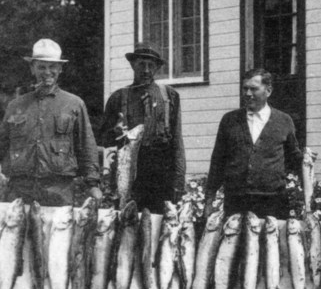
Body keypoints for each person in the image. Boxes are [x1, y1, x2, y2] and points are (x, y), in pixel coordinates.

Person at [0, 39, 101, 205]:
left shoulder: (74, 104)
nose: (47, 72)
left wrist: (93, 184)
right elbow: (0, 143)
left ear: (60, 69)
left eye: (52, 66)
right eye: (41, 67)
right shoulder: (16, 105)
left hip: (57, 193)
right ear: (32, 68)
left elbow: (87, 146)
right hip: (19, 193)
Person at [98, 43, 186, 214]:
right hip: (127, 172)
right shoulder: (118, 97)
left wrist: (179, 180)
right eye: (141, 64)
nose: (146, 70)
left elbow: (177, 140)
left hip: (160, 174)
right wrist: (114, 132)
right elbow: (104, 139)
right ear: (132, 65)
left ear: (157, 68)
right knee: (126, 223)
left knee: (157, 225)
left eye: (150, 65)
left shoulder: (169, 96)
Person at [205, 68, 303, 219]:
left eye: (254, 89)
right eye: (245, 89)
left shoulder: (284, 121)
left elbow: (294, 158)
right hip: (236, 202)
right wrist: (209, 199)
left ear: (268, 91)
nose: (248, 94)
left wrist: (306, 165)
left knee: (271, 242)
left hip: (273, 202)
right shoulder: (229, 120)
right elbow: (218, 161)